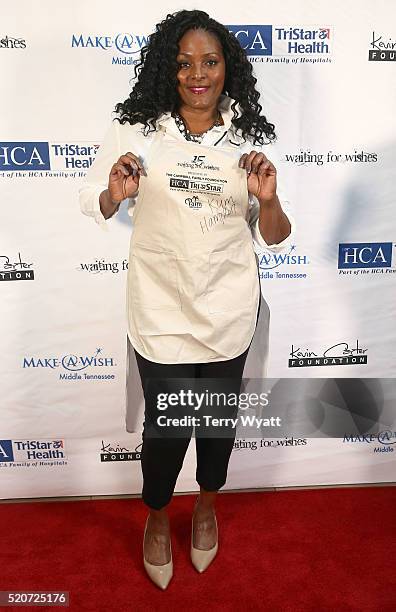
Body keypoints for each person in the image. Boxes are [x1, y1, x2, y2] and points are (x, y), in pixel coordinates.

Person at [79, 9, 295, 590]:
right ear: (165, 69)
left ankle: (204, 504)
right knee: (168, 427)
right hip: (160, 308)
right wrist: (112, 192)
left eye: (210, 61)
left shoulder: (248, 136)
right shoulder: (137, 129)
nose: (197, 74)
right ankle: (155, 515)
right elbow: (92, 203)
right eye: (184, 63)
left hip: (228, 308)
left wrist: (268, 200)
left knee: (217, 423)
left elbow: (274, 233)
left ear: (228, 67)